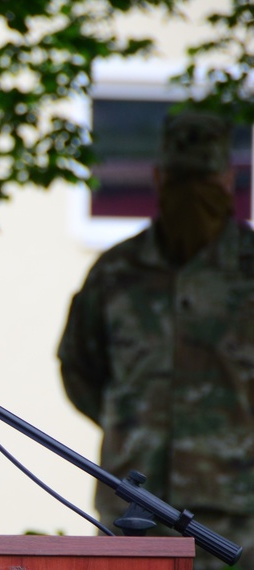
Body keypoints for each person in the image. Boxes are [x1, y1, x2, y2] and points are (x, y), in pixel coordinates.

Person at [57, 110, 254, 569]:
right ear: (160, 178)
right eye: (184, 181)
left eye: (202, 181)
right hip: (134, 509)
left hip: (239, 513)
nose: (194, 196)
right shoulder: (116, 273)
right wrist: (131, 424)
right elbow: (79, 368)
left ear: (227, 179)